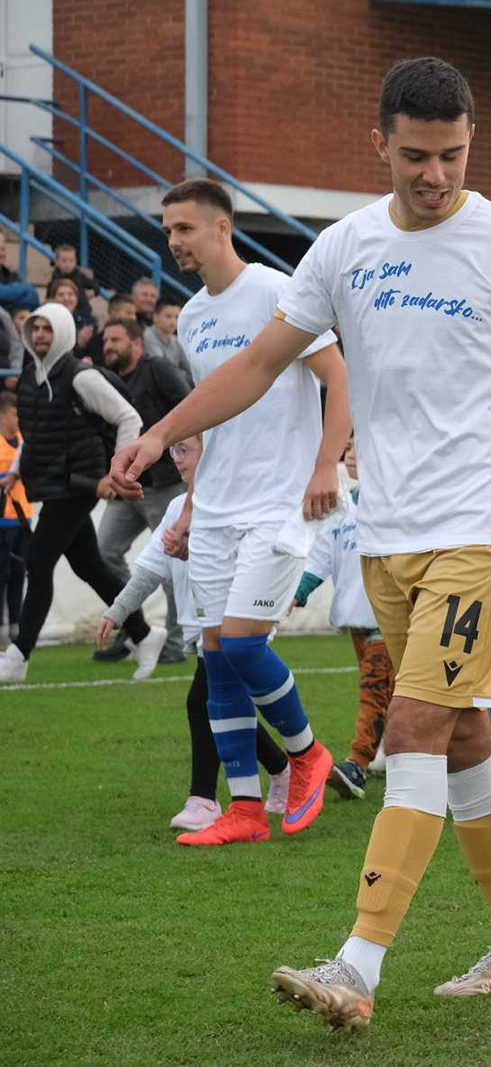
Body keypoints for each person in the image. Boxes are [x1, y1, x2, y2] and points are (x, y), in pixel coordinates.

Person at [111, 57, 491, 1031]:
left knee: (414, 731)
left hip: (481, 532)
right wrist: (164, 431)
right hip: (386, 536)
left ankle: (356, 960)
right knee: (464, 736)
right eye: (417, 155)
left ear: (473, 142)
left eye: (454, 154)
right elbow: (260, 363)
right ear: (378, 143)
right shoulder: (343, 248)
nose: (436, 174)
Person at [126, 178, 346, 850]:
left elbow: (341, 378)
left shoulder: (280, 292)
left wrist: (325, 463)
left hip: (279, 504)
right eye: (168, 231)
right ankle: (245, 809)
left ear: (222, 227)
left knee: (246, 642)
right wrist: (191, 505)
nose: (174, 243)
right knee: (217, 658)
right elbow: (218, 418)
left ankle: (307, 753)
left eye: (184, 229)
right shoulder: (190, 317)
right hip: (216, 506)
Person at [99, 434, 291, 829]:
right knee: (225, 708)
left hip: (236, 633)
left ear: (215, 451)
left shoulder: (238, 507)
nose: (177, 459)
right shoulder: (174, 509)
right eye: (173, 451)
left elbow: (257, 565)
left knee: (202, 702)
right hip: (203, 631)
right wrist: (117, 613)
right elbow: (149, 570)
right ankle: (285, 768)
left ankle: (204, 801)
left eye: (184, 450)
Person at [0, 302, 164, 682]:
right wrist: (14, 472)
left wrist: (117, 472)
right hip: (53, 484)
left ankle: (18, 656)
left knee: (38, 562)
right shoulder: (30, 378)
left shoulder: (80, 377)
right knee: (89, 565)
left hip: (79, 484)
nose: (39, 334)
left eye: (47, 328)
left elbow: (128, 417)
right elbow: (36, 435)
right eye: (35, 328)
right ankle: (143, 632)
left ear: (63, 333)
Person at [294, 436, 395, 803]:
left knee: (374, 693)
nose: (351, 452)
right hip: (356, 620)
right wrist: (299, 590)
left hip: (389, 619)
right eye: (348, 446)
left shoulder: (391, 504)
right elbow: (321, 557)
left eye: (359, 445)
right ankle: (407, 756)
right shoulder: (340, 509)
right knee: (391, 695)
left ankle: (356, 765)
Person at [94, 317, 192, 666]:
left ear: (137, 344)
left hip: (164, 485)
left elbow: (192, 410)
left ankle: (176, 643)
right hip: (127, 487)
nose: (108, 346)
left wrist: (178, 456)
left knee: (171, 563)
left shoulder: (160, 370)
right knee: (105, 552)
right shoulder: (107, 380)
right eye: (106, 340)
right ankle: (137, 629)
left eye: (116, 340)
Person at [0, 392, 30, 645]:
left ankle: (16, 625)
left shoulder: (24, 442)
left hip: (23, 518)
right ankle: (1, 626)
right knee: (2, 574)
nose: (18, 418)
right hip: (2, 520)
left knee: (20, 573)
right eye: (14, 414)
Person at [145, 296, 193, 380]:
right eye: (168, 316)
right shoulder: (148, 336)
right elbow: (162, 370)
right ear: (155, 317)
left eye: (176, 317)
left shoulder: (178, 341)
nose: (173, 321)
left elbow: (190, 370)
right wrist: (184, 375)